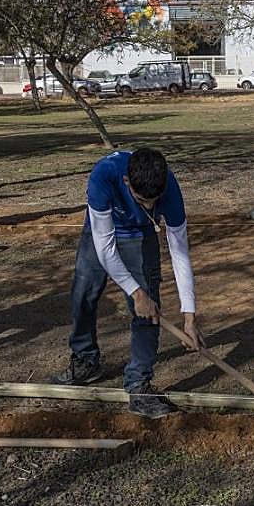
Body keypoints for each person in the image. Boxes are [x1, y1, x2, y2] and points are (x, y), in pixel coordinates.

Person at [51, 147, 206, 418]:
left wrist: (189, 316)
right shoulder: (104, 176)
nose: (148, 207)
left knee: (149, 313)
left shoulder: (170, 190)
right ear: (126, 182)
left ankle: (138, 384)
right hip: (100, 233)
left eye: (153, 201)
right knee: (83, 294)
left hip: (140, 236)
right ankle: (85, 360)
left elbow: (180, 253)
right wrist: (136, 293)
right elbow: (105, 247)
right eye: (141, 199)